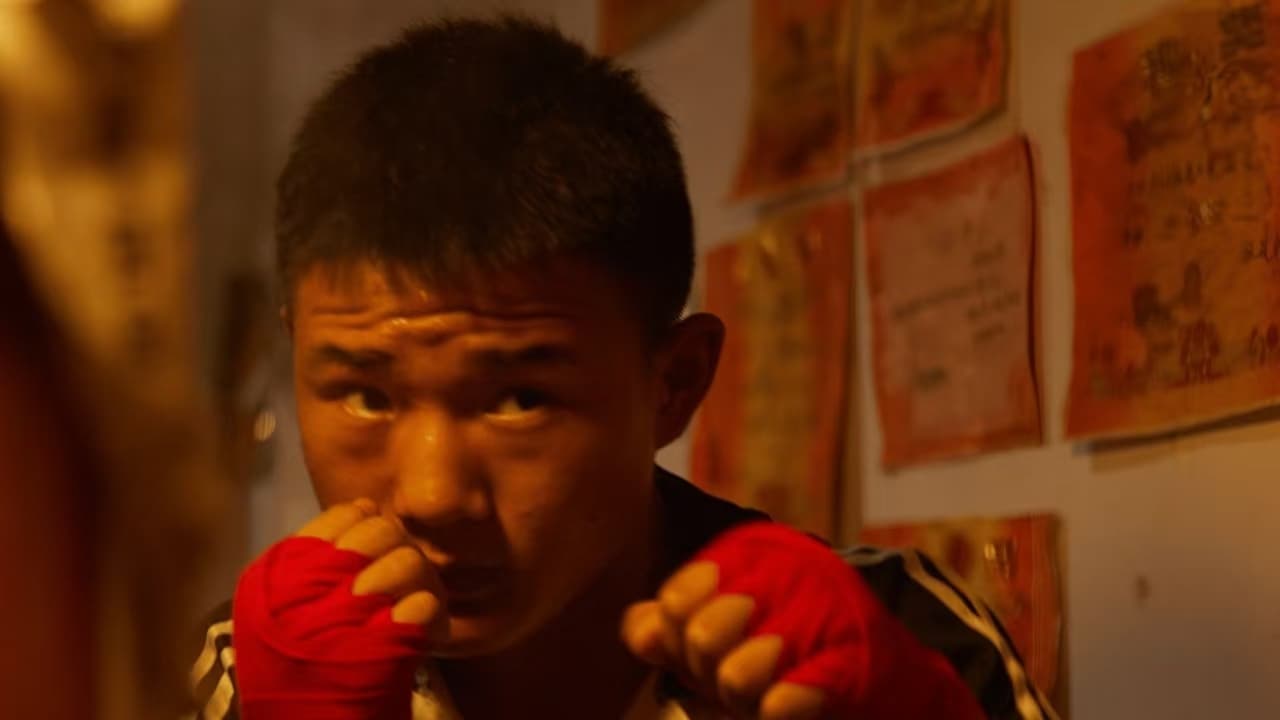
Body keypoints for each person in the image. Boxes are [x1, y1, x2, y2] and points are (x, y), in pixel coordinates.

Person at [189, 16, 1056, 720]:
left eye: (520, 398)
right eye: (366, 395)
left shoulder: (899, 636)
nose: (431, 494)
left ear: (673, 383)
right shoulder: (259, 670)